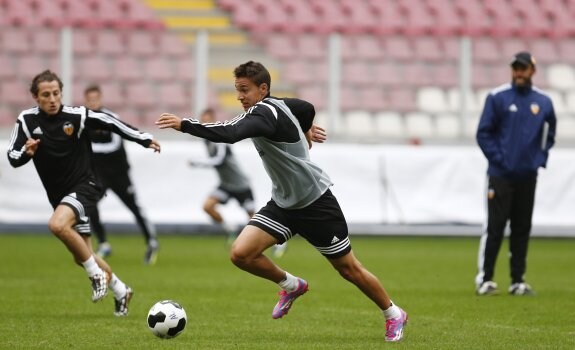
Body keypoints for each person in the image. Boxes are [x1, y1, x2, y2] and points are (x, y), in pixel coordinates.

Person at [156, 61, 408, 342]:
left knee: (348, 269)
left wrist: (185, 125)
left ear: (263, 89)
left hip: (315, 203)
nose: (239, 96)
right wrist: (307, 128)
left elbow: (230, 132)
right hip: (284, 204)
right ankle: (292, 285)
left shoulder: (263, 114)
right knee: (241, 254)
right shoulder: (279, 105)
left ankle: (393, 313)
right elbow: (306, 108)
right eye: (237, 89)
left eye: (244, 90)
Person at [7, 70, 161, 316]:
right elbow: (13, 157)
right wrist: (27, 152)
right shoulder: (26, 121)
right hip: (59, 197)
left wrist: (142, 138)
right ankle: (122, 290)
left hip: (85, 186)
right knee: (83, 255)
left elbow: (110, 122)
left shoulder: (76, 115)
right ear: (35, 97)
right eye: (46, 95)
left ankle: (95, 276)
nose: (52, 99)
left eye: (56, 93)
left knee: (57, 226)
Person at [475, 52, 556, 296]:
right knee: (495, 227)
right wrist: (500, 160)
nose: (519, 72)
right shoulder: (498, 97)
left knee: (522, 228)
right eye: (516, 68)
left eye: (523, 68)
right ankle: (485, 278)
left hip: (527, 177)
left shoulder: (543, 102)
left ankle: (517, 280)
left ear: (533, 70)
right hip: (500, 176)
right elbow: (483, 133)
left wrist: (538, 160)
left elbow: (548, 134)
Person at [191, 107, 287, 257]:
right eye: (203, 119)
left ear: (213, 120)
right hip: (226, 185)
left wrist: (198, 163)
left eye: (207, 119)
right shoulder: (206, 140)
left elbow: (219, 160)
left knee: (254, 219)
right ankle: (231, 230)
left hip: (241, 185)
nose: (205, 122)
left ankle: (279, 241)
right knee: (208, 206)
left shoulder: (220, 141)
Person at [84, 85, 159, 265]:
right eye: (89, 99)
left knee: (134, 207)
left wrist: (89, 150)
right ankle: (103, 243)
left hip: (119, 173)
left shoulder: (110, 118)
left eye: (95, 99)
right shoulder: (84, 120)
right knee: (90, 204)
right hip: (100, 175)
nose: (92, 102)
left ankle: (152, 242)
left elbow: (114, 144)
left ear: (100, 99)